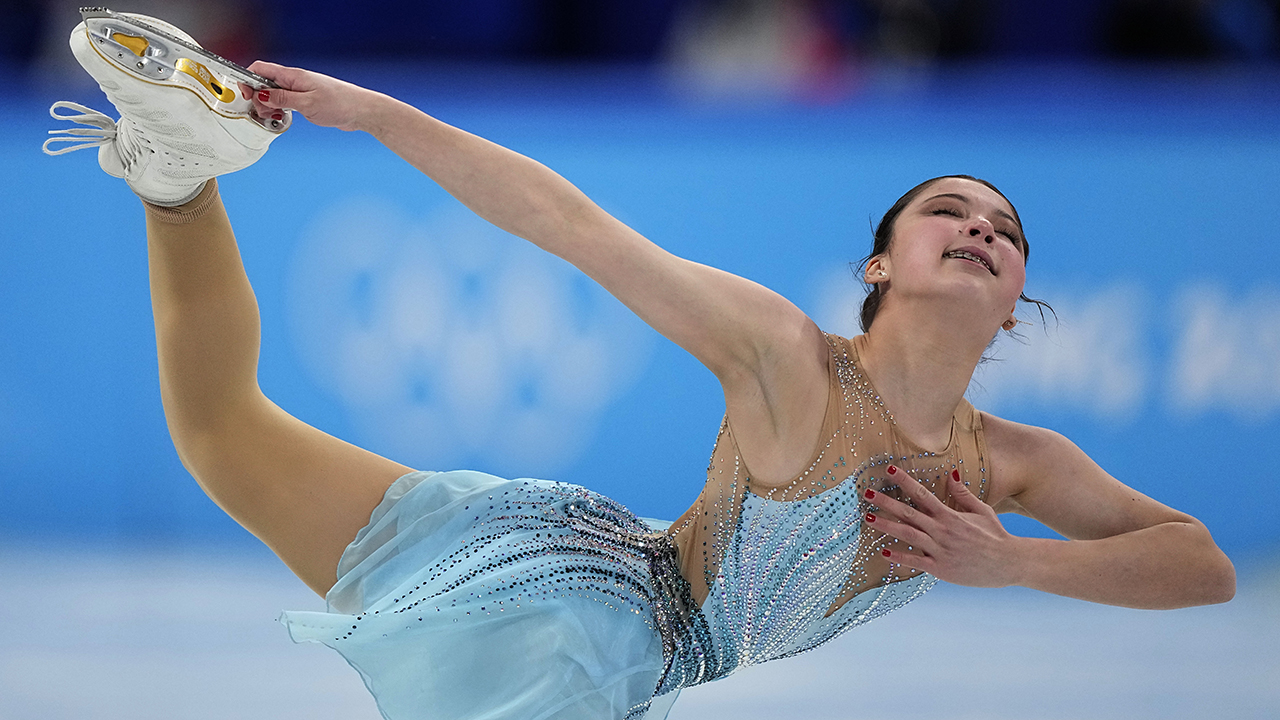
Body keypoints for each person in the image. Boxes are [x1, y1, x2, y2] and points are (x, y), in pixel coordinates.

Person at [46, 13, 1235, 720]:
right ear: (877, 269)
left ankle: (172, 179)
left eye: (1002, 228)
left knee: (212, 432)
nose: (979, 226)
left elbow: (1201, 566)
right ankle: (181, 164)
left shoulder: (1012, 465)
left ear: (1015, 307)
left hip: (570, 564)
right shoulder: (785, 358)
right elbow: (571, 225)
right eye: (947, 211)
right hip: (594, 629)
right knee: (220, 433)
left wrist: (1008, 565)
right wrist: (379, 115)